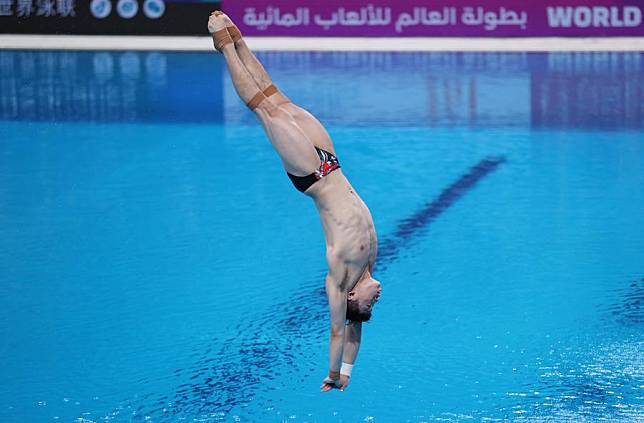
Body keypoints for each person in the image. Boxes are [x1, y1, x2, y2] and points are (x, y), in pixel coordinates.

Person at [208, 11, 382, 392]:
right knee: (275, 95)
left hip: (312, 177)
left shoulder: (340, 276)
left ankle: (223, 45)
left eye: (369, 305)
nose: (377, 299)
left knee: (263, 109)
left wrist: (335, 375)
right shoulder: (369, 263)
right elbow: (357, 332)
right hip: (331, 162)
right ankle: (237, 38)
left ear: (353, 297)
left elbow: (341, 331)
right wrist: (353, 372)